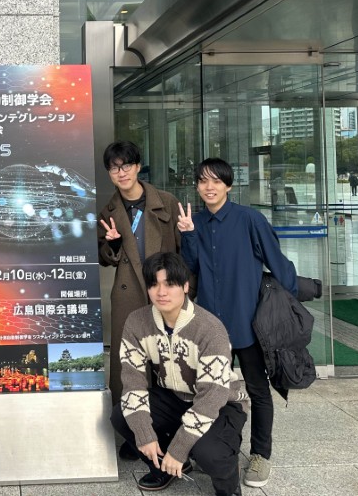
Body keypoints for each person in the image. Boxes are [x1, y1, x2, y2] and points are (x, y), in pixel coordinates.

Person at [177, 158, 297, 489]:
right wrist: (187, 234)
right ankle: (216, 449)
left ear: (228, 185)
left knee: (257, 389)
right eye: (203, 181)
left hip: (248, 322)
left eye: (217, 181)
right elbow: (190, 267)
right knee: (208, 390)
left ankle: (260, 455)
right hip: (211, 327)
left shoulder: (250, 219)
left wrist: (291, 303)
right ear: (197, 186)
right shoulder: (195, 222)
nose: (209, 187)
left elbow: (277, 261)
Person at [110, 252, 247, 495]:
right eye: (154, 284)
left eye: (170, 284)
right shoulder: (137, 322)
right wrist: (144, 433)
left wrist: (179, 448)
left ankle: (228, 486)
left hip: (221, 402)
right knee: (122, 415)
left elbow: (212, 397)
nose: (161, 292)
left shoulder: (210, 329)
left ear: (185, 286)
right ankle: (166, 468)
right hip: (174, 395)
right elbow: (133, 382)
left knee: (209, 452)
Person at [97, 140, 181, 458]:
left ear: (138, 166)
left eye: (127, 165)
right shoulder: (109, 212)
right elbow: (104, 257)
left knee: (169, 361)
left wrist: (187, 293)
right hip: (129, 295)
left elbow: (184, 251)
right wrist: (112, 245)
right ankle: (136, 433)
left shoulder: (167, 203)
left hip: (166, 293)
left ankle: (169, 430)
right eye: (114, 168)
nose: (122, 173)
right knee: (130, 365)